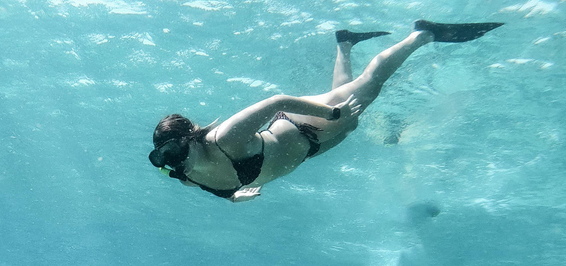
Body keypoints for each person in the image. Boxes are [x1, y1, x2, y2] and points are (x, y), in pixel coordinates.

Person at [148, 20, 503, 202]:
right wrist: (234, 197)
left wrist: (329, 114)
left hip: (306, 125)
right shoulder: (187, 176)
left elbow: (277, 101)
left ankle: (422, 35)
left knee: (369, 87)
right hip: (311, 150)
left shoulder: (224, 138)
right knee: (354, 118)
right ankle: (344, 43)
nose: (175, 160)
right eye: (165, 158)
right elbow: (220, 189)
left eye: (176, 150)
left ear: (191, 136)